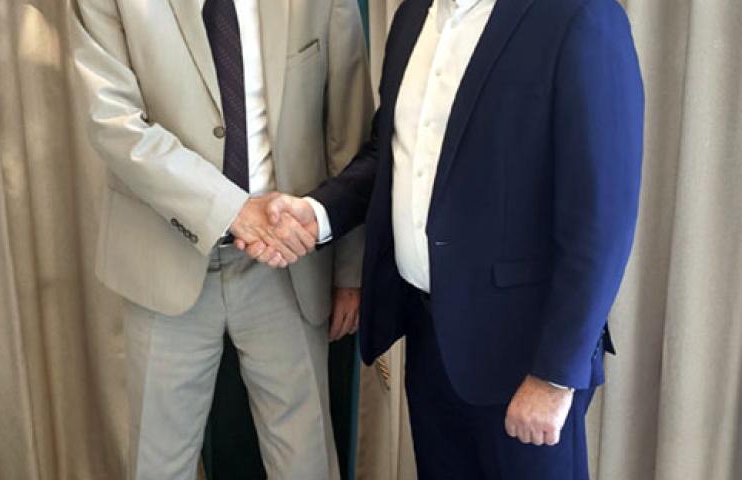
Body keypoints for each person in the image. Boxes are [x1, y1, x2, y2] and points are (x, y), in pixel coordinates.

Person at [240, 0, 645, 478]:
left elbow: (602, 219)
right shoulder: (414, 14)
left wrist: (555, 377)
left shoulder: (580, 15)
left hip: (524, 358)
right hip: (430, 340)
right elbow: (390, 154)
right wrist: (319, 213)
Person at [71, 0, 372, 478]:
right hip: (162, 257)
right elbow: (114, 121)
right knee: (159, 465)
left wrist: (350, 269)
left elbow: (348, 128)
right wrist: (232, 210)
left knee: (306, 461)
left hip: (289, 263)